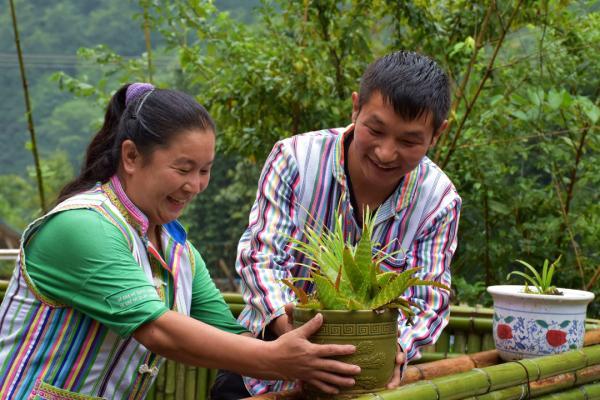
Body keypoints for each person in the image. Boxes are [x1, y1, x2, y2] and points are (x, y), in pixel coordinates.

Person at [0, 83, 361, 399]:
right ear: (131, 156)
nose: (195, 185)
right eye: (183, 169)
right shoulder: (83, 226)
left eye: (205, 170)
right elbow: (158, 329)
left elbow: (230, 336)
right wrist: (276, 360)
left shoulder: (177, 250)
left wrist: (306, 349)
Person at [214, 50, 462, 398]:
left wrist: (395, 349)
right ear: (356, 108)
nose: (386, 152)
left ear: (437, 134)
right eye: (375, 130)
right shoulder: (296, 159)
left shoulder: (438, 201)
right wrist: (292, 337)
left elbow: (428, 300)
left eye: (408, 141)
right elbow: (261, 257)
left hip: (362, 387)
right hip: (261, 376)